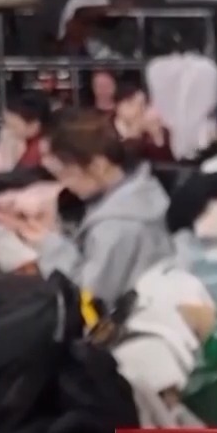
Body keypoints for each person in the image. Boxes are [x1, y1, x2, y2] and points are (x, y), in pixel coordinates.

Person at [34, 108, 175, 305]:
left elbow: (87, 299)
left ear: (98, 165)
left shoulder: (116, 226)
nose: (64, 184)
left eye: (65, 174)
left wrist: (50, 244)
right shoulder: (141, 187)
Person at [111, 79, 173, 164]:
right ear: (117, 106)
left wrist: (157, 136)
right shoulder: (106, 130)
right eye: (132, 104)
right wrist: (133, 135)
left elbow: (166, 164)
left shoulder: (155, 129)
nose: (138, 110)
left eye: (142, 105)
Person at [0, 92, 53, 173]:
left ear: (34, 126)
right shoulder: (20, 139)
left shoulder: (40, 150)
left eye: (13, 126)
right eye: (6, 124)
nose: (6, 129)